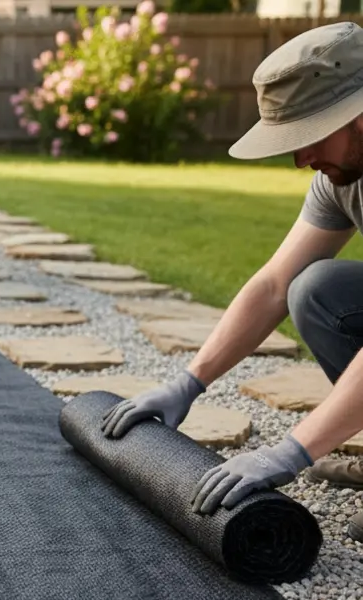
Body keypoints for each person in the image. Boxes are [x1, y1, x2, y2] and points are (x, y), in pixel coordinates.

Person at [100, 21, 363, 538]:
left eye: (310, 134)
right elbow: (272, 285)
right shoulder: (340, 178)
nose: (300, 158)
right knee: (315, 289)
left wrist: (291, 450)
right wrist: (188, 382)